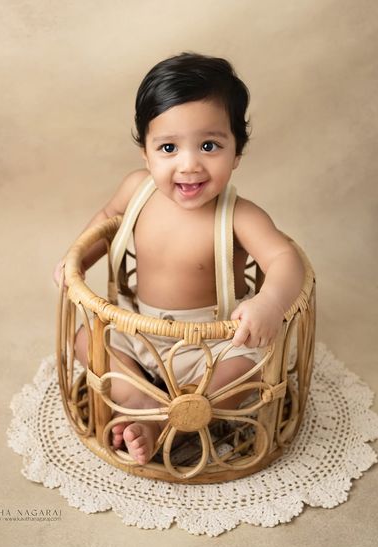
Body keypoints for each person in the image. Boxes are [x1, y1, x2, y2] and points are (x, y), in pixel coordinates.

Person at [54, 52, 305, 465]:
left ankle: (189, 411)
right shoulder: (137, 189)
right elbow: (105, 222)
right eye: (168, 147)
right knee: (85, 339)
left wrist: (270, 302)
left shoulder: (240, 216)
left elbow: (284, 259)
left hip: (213, 341)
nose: (189, 164)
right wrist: (76, 258)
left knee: (254, 367)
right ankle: (141, 403)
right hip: (139, 330)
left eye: (209, 145)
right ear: (146, 154)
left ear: (237, 152)